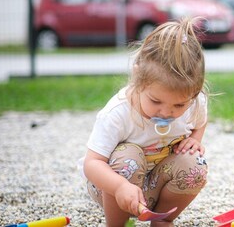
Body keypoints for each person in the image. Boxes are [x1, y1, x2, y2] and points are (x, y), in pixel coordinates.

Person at [81, 17, 209, 227]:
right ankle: (117, 224)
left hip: (156, 185)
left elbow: (200, 120)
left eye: (179, 106)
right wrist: (119, 186)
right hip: (114, 188)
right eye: (155, 101)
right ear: (137, 77)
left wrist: (195, 139)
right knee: (128, 156)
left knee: (195, 163)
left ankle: (163, 219)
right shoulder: (118, 113)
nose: (167, 112)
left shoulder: (194, 102)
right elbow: (92, 164)